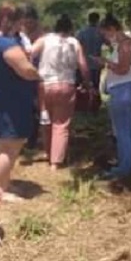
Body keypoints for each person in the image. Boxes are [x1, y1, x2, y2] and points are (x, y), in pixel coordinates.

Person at [0, 4, 41, 203]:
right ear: (12, 21)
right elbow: (26, 70)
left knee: (5, 145)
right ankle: (0, 191)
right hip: (12, 102)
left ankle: (4, 182)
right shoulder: (7, 46)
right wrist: (38, 74)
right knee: (10, 146)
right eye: (20, 22)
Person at [31, 14, 91, 170]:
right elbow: (83, 66)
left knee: (46, 121)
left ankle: (48, 152)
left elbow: (29, 53)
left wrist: (31, 73)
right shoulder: (74, 42)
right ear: (70, 28)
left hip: (45, 84)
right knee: (61, 124)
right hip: (66, 85)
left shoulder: (45, 40)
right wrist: (87, 83)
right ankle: (56, 162)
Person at [96, 14, 131, 180]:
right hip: (124, 89)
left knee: (122, 131)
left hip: (122, 90)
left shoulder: (125, 45)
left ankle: (123, 168)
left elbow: (122, 69)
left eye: (105, 33)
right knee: (128, 129)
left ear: (112, 29)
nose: (105, 38)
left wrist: (105, 62)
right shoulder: (123, 44)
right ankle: (130, 162)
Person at [17, 4, 44, 151]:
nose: (27, 24)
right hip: (21, 74)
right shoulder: (18, 35)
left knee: (35, 108)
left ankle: (32, 138)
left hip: (37, 75)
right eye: (25, 21)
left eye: (30, 20)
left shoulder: (42, 35)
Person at [76, 12, 104, 91]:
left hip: (84, 65)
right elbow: (110, 43)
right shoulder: (101, 32)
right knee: (95, 88)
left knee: (84, 89)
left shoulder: (81, 32)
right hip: (96, 65)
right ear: (98, 20)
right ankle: (95, 102)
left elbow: (75, 46)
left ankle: (84, 102)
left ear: (88, 20)